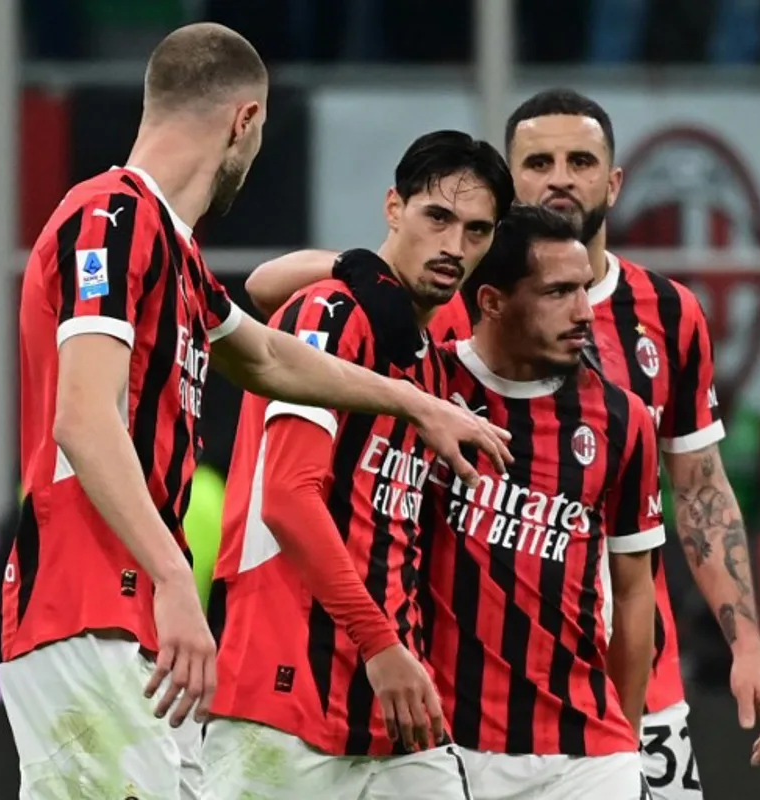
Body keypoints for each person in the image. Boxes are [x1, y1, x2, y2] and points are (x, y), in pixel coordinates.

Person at [0, 25, 512, 800]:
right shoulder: (110, 214)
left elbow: (266, 356)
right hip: (85, 605)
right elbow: (81, 415)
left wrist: (414, 403)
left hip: (135, 622)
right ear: (244, 122)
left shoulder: (179, 257)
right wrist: (175, 576)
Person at [244, 89, 760, 798]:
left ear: (614, 182)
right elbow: (268, 290)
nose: (560, 177)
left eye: (581, 160)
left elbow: (702, 489)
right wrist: (360, 267)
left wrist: (745, 641)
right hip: (453, 705)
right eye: (538, 161)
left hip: (626, 691)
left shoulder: (671, 315)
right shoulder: (449, 302)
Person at [201, 130, 515, 799]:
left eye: (476, 230)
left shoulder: (430, 358)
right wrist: (381, 644)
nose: (455, 246)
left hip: (394, 713)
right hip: (284, 703)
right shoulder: (331, 313)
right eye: (438, 217)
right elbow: (287, 497)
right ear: (393, 208)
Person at [418, 204, 661, 799]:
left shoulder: (622, 419)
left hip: (585, 755)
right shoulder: (425, 390)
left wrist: (624, 742)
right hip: (442, 748)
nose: (584, 311)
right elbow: (269, 287)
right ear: (492, 301)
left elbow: (634, 593)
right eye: (558, 292)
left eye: (584, 288)